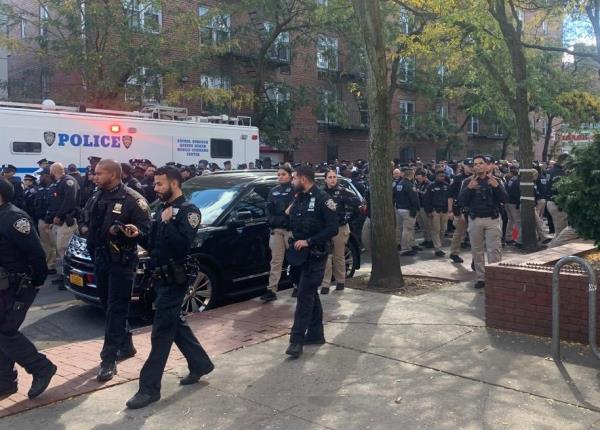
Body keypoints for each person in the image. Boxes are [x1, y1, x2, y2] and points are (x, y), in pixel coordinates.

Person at [126, 166, 214, 409]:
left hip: (176, 279)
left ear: (174, 184)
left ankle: (149, 389)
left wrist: (171, 223)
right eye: (155, 184)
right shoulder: (162, 210)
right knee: (175, 324)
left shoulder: (188, 212)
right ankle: (200, 363)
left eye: (160, 184)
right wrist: (137, 235)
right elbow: (155, 244)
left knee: (161, 333)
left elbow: (181, 247)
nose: (155, 188)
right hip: (159, 277)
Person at [83, 160, 151, 383]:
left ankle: (108, 360)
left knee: (116, 308)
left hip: (122, 261)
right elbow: (89, 222)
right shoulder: (97, 195)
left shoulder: (132, 199)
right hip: (101, 259)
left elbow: (146, 231)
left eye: (99, 173)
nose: (95, 176)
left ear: (113, 174)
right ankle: (127, 343)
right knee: (107, 304)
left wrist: (129, 232)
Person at [0, 176, 57, 400]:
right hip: (3, 286)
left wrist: (36, 281)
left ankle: (41, 368)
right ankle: (5, 382)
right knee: (2, 333)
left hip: (17, 286)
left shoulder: (14, 218)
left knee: (5, 333)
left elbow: (35, 253)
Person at [285, 165, 338, 359]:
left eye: (294, 179)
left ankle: (296, 340)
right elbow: (287, 215)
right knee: (309, 293)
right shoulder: (299, 198)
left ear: (303, 179)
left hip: (316, 254)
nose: (292, 182)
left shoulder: (324, 199)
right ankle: (316, 333)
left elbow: (333, 228)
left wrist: (309, 241)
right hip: (300, 256)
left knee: (304, 295)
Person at [459, 155, 508, 289]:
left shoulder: (496, 180)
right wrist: (469, 188)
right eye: (475, 164)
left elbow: (505, 199)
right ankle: (481, 277)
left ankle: (495, 277)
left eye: (481, 163)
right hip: (475, 219)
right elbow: (461, 201)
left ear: (487, 165)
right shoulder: (467, 181)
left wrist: (497, 187)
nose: (478, 166)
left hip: (492, 219)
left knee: (494, 250)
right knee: (477, 251)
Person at [319, 169, 361, 294]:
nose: (332, 179)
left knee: (339, 256)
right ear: (325, 179)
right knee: (325, 257)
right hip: (325, 229)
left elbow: (358, 203)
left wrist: (348, 218)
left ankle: (340, 281)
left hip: (340, 227)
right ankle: (325, 284)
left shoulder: (343, 191)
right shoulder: (321, 193)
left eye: (334, 177)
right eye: (330, 177)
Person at [262, 164, 294, 302]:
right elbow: (268, 209)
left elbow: (294, 210)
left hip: (290, 230)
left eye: (283, 174)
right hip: (276, 230)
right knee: (276, 261)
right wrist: (272, 220)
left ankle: (298, 285)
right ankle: (272, 290)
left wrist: (284, 219)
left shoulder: (295, 190)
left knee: (294, 260)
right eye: (279, 174)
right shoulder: (273, 191)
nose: (280, 177)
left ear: (290, 175)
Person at [46, 163, 80, 288]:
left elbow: (69, 201)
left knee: (64, 248)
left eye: (50, 170)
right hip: (58, 222)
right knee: (60, 250)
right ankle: (63, 276)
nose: (50, 173)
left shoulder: (68, 181)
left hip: (66, 221)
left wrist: (59, 216)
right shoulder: (59, 182)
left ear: (55, 170)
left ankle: (70, 278)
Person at [424, 170, 453, 257]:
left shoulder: (447, 186)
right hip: (435, 211)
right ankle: (438, 248)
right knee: (435, 230)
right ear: (436, 176)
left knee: (443, 229)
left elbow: (450, 198)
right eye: (440, 176)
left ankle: (439, 245)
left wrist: (450, 210)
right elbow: (427, 200)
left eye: (443, 176)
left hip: (444, 211)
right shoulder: (431, 186)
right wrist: (428, 211)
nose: (442, 177)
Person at [448, 160, 473, 263]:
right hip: (460, 210)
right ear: (464, 166)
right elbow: (450, 195)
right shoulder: (458, 178)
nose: (471, 168)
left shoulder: (477, 177)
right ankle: (454, 253)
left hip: (473, 209)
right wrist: (450, 211)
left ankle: (475, 260)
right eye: (469, 166)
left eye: (473, 165)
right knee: (459, 233)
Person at [394, 168, 420, 256]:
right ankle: (405, 249)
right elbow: (414, 199)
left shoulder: (399, 184)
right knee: (407, 230)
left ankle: (402, 245)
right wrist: (417, 208)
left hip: (399, 208)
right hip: (408, 210)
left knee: (401, 228)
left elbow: (394, 195)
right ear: (411, 175)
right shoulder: (410, 185)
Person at [34, 169, 56, 273]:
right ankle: (49, 265)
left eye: (42, 175)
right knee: (46, 245)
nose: (40, 178)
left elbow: (54, 206)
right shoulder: (40, 189)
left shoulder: (54, 188)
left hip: (50, 221)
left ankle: (53, 266)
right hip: (41, 220)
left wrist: (49, 220)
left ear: (47, 176)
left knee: (54, 245)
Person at [546, 153, 569, 237]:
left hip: (551, 201)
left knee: (559, 231)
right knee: (561, 232)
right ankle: (552, 249)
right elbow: (560, 189)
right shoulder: (559, 172)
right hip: (558, 203)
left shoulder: (550, 170)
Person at [414, 169, 433, 249]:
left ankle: (430, 241)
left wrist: (418, 191)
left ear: (425, 177)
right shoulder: (419, 184)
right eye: (417, 179)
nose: (419, 180)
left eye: (420, 178)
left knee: (428, 225)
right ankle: (426, 239)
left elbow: (427, 196)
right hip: (419, 207)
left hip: (425, 208)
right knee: (422, 226)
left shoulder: (429, 184)